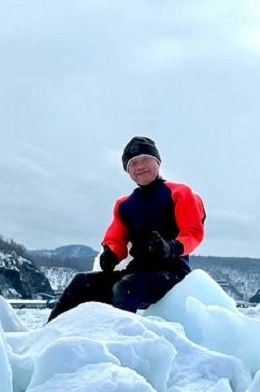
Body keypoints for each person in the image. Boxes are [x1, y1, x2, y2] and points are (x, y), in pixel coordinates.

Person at [48, 136, 205, 322]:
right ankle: (48, 337)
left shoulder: (180, 193)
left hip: (173, 272)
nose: (140, 166)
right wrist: (111, 255)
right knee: (82, 282)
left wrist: (171, 247)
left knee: (125, 287)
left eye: (145, 159)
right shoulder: (124, 205)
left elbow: (193, 232)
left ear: (158, 162)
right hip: (136, 272)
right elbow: (116, 239)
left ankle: (122, 343)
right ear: (128, 170)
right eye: (133, 163)